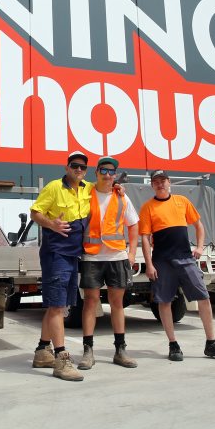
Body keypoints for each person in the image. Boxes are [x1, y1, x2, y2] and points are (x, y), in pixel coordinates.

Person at [138, 169, 215, 362]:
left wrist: (199, 247)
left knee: (203, 297)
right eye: (156, 181)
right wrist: (149, 264)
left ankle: (211, 343)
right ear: (152, 185)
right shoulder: (148, 207)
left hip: (186, 259)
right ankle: (173, 345)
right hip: (162, 261)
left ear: (169, 182)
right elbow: (146, 239)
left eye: (163, 180)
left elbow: (199, 225)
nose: (160, 184)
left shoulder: (182, 201)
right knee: (164, 302)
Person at [29, 151, 93, 381]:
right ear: (67, 167)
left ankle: (42, 352)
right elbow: (35, 212)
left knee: (58, 306)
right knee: (57, 307)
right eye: (74, 166)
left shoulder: (87, 188)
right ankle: (61, 359)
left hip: (73, 256)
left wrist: (119, 189)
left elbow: (105, 189)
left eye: (82, 167)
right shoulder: (54, 187)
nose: (78, 170)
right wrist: (52, 225)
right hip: (56, 254)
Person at [78, 156, 139, 369]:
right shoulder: (86, 194)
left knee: (117, 304)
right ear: (96, 173)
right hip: (92, 256)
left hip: (117, 257)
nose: (107, 175)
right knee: (90, 302)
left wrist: (132, 253)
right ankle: (88, 351)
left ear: (115, 175)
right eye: (103, 170)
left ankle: (120, 350)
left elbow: (133, 225)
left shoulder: (122, 197)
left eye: (111, 171)